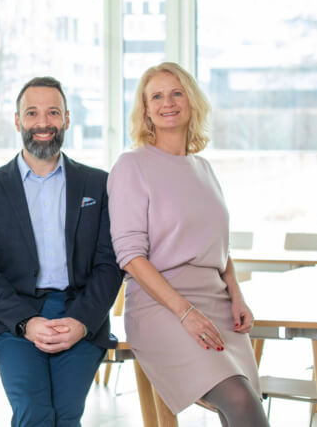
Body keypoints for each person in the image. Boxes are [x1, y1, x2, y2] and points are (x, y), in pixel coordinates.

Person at [107, 62, 269, 426]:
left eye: (177, 92)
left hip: (218, 303)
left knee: (244, 402)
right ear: (146, 109)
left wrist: (236, 293)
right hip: (160, 307)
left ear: (191, 101)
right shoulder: (132, 166)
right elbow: (130, 256)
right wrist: (185, 312)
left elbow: (220, 247)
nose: (168, 102)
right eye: (157, 96)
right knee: (240, 400)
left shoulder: (204, 168)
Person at [0, 76, 123, 427]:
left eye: (53, 113)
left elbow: (109, 265)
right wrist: (25, 322)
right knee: (35, 413)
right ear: (17, 120)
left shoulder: (98, 184)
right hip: (12, 317)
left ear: (67, 119)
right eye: (32, 113)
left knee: (66, 415)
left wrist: (82, 321)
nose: (43, 123)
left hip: (80, 312)